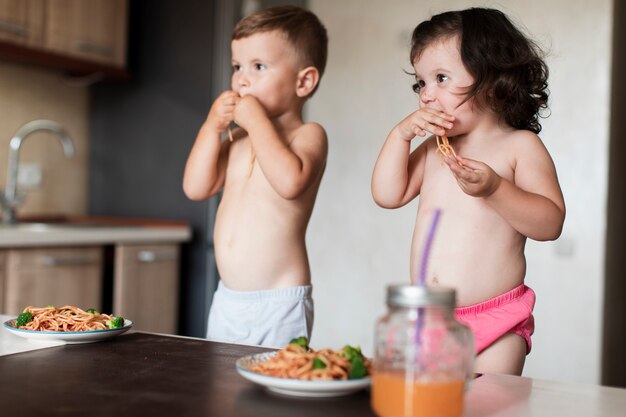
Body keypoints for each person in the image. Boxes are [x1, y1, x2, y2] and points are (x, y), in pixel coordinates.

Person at [371, 8, 565, 375]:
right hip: (429, 320)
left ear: (492, 79)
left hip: (497, 319)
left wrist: (494, 188)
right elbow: (387, 194)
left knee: (490, 403)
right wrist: (400, 136)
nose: (427, 95)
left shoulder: (520, 147)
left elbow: (549, 223)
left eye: (441, 78)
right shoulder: (434, 149)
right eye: (421, 83)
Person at [183, 6, 328, 348]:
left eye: (258, 67)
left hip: (279, 303)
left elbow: (290, 182)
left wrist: (255, 120)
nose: (242, 79)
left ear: (303, 81)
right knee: (222, 391)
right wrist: (211, 127)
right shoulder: (238, 140)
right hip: (228, 299)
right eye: (237, 67)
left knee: (272, 393)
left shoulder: (308, 135)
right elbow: (195, 187)